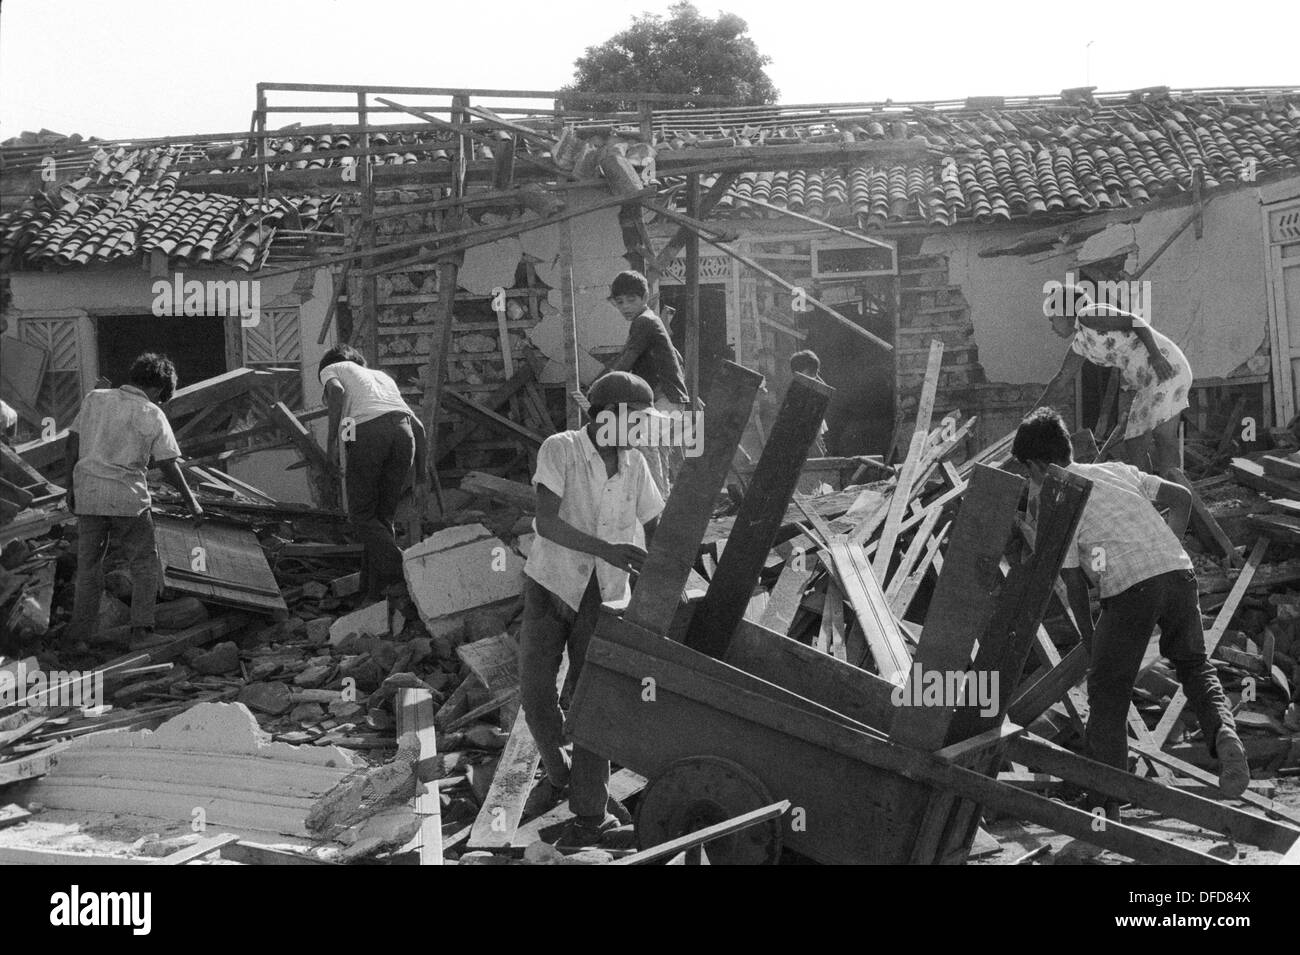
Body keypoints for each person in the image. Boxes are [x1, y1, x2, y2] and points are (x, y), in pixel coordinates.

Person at [1010, 408, 1249, 816]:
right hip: (1178, 572)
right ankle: (1224, 734)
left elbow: (1072, 584)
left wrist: (1089, 639)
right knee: (1194, 664)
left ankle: (1107, 800)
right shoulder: (1117, 470)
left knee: (1107, 690)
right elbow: (1182, 498)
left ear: (1037, 466)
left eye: (1029, 473)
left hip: (1131, 589)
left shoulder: (1060, 500)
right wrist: (1164, 548)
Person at [519, 371, 665, 848]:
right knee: (536, 691)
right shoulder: (560, 448)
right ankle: (559, 773)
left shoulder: (636, 464)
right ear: (608, 417)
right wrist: (607, 548)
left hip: (602, 596)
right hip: (550, 584)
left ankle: (589, 812)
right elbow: (546, 521)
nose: (641, 430)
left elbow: (656, 524)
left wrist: (675, 573)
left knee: (589, 702)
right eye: (635, 420)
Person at [64, 353, 203, 644]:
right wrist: (192, 502)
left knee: (88, 566)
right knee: (144, 563)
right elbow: (167, 463)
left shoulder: (94, 399)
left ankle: (78, 638)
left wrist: (70, 487)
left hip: (88, 492)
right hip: (127, 496)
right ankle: (141, 632)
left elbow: (72, 443)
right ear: (158, 389)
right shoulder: (151, 413)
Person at [1039, 286, 1192, 487]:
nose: (1052, 326)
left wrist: (1156, 355)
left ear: (1065, 311)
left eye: (1053, 319)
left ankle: (1165, 495)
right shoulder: (1081, 341)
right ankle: (1159, 495)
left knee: (1153, 440)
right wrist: (1034, 414)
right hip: (1150, 379)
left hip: (1162, 367)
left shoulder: (1088, 315)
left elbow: (1135, 321)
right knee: (1146, 441)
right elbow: (1061, 380)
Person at [319, 344, 428, 601]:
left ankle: (406, 570)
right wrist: (421, 478)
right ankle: (376, 593)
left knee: (360, 516)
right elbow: (419, 427)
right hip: (403, 436)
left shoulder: (331, 368)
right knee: (381, 520)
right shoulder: (382, 378)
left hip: (369, 434)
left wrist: (331, 444)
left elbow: (336, 390)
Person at [606, 270, 690, 497]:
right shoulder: (650, 320)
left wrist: (604, 386)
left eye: (631, 300)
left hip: (666, 397)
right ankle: (664, 503)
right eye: (620, 302)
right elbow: (677, 357)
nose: (625, 307)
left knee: (646, 445)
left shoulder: (643, 321)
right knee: (659, 451)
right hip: (669, 397)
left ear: (644, 298)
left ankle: (657, 505)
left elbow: (628, 357)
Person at [789, 349, 830, 456]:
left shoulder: (814, 392)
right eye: (810, 373)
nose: (814, 377)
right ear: (797, 374)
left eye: (815, 373)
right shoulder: (797, 394)